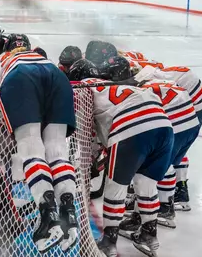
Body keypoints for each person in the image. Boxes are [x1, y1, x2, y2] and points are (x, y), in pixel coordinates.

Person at [0, 34, 79, 253]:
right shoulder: (41, 57)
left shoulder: (3, 58)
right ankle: (68, 212)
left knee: (31, 148)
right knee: (57, 150)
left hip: (20, 77)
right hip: (57, 78)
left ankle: (48, 216)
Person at [69, 58, 173, 257]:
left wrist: (89, 160)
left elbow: (86, 132)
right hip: (164, 126)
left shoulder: (83, 88)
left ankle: (109, 240)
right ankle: (149, 235)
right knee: (147, 184)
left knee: (115, 186)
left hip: (131, 127)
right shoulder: (115, 84)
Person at [132, 62, 202, 211]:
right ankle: (180, 189)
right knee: (176, 147)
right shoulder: (148, 68)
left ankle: (165, 204)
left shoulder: (141, 79)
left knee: (164, 155)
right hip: (196, 99)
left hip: (191, 103)